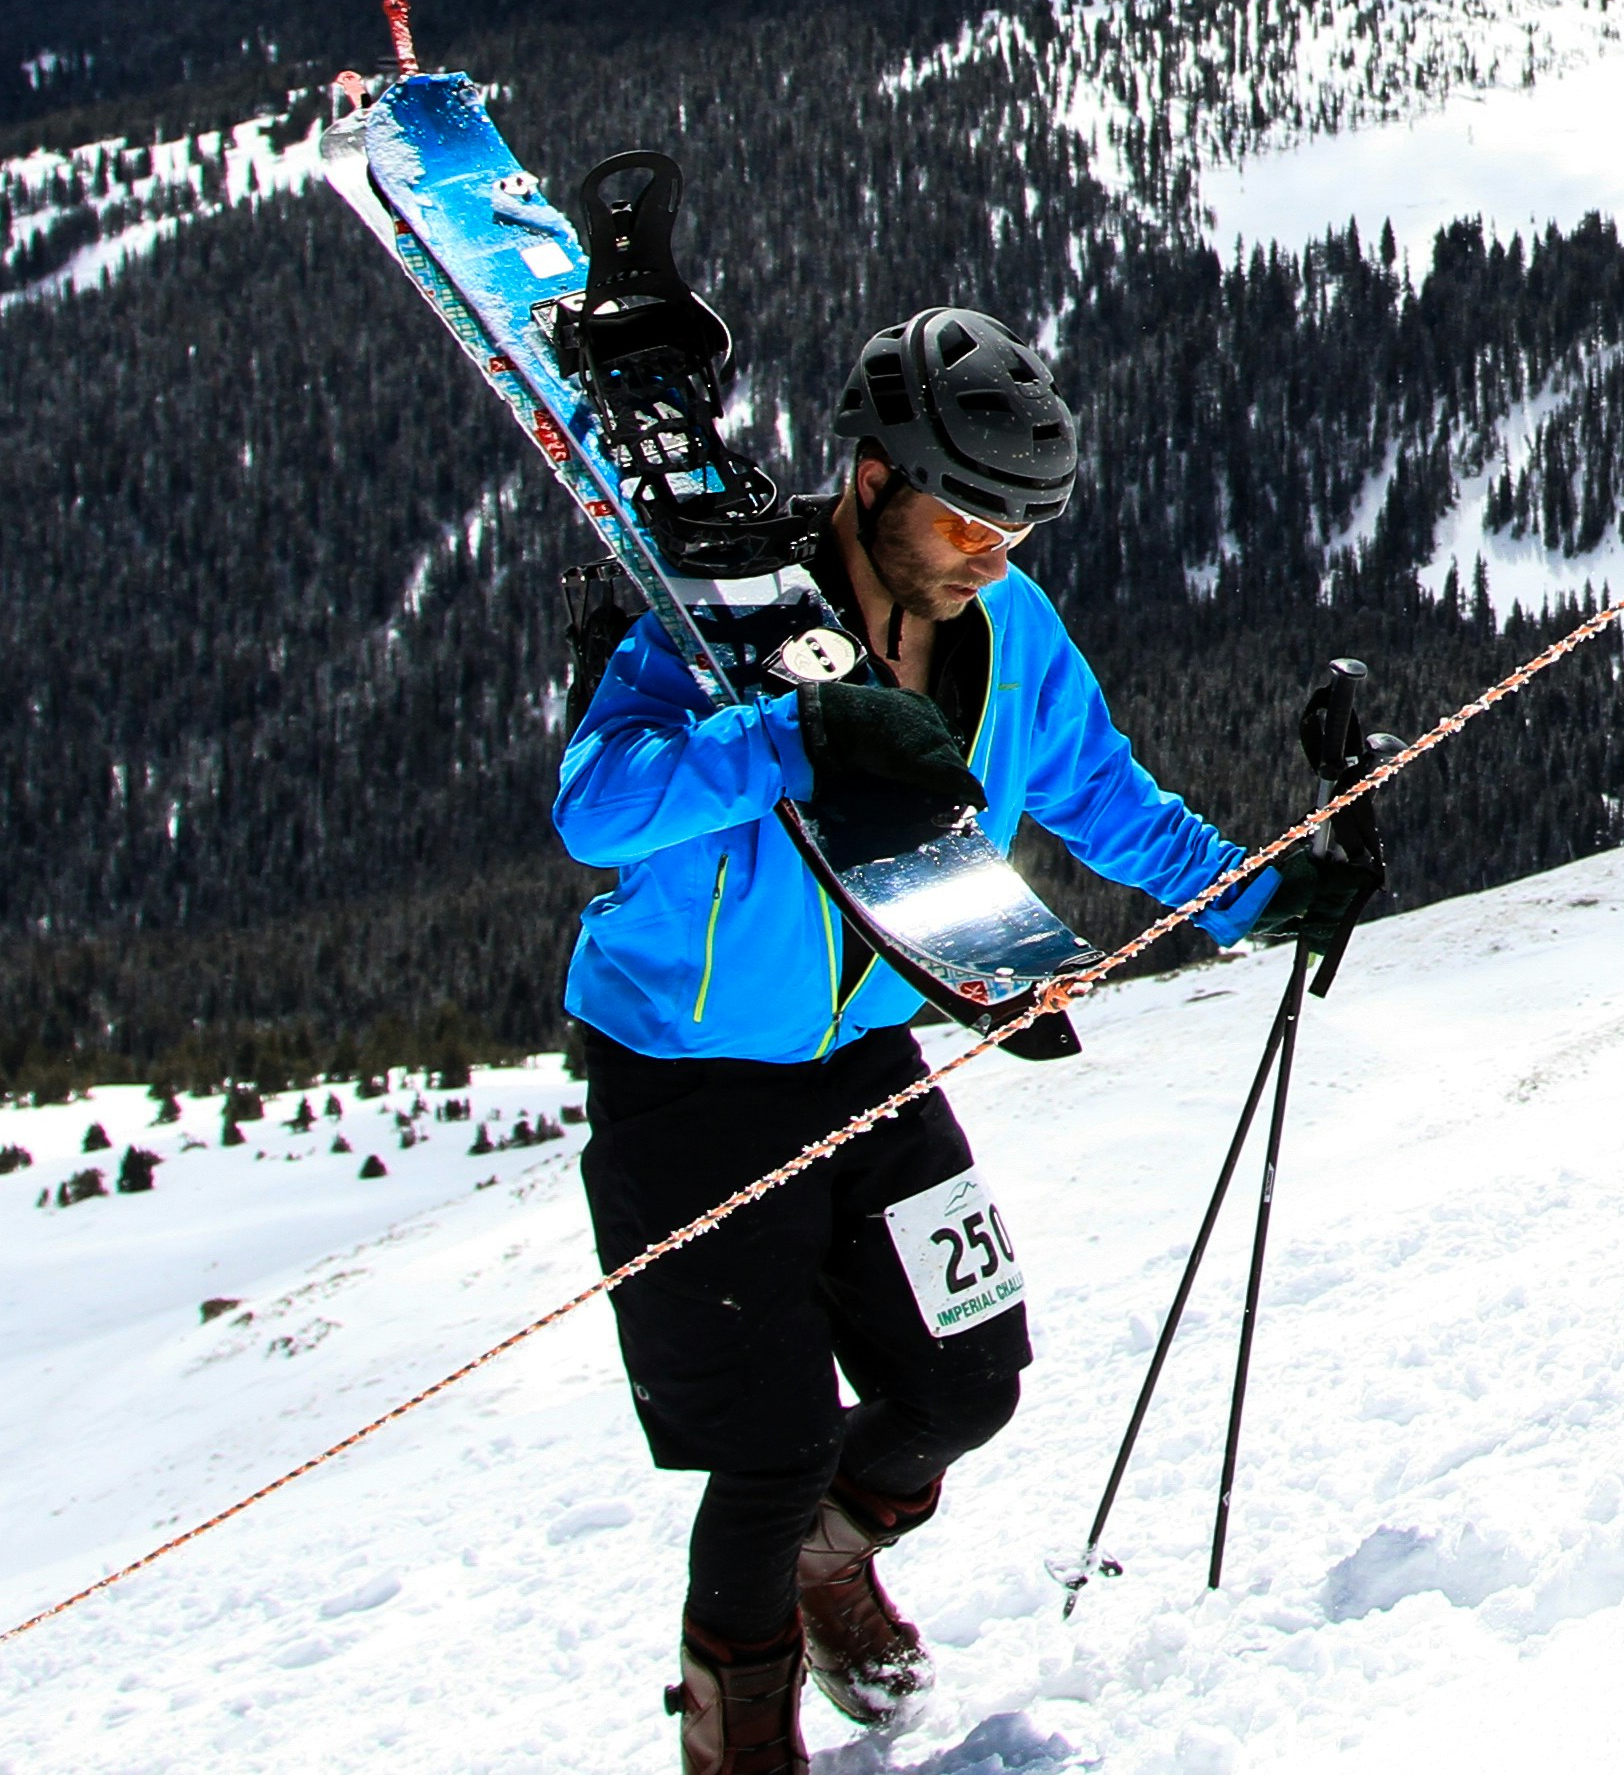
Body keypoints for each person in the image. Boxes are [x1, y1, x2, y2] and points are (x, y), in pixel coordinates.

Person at [556, 308, 1374, 1773]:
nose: (993, 549)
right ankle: (736, 1733)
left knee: (966, 1377)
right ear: (872, 477)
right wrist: (792, 741)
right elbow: (595, 805)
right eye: (966, 514)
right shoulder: (719, 610)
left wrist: (1261, 892)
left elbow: (1102, 799)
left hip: (870, 1051)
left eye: (1019, 523)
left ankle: (827, 1559)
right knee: (765, 1444)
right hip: (683, 1078)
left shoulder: (1012, 633)